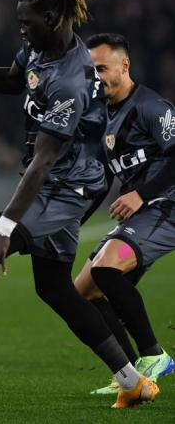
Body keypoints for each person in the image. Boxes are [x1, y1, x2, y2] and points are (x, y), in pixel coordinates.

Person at [0, 0, 159, 411]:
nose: (20, 29)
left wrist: (5, 228)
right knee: (54, 287)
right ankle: (132, 380)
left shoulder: (71, 81)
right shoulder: (41, 50)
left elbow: (43, 162)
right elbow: (15, 79)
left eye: (27, 22)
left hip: (69, 186)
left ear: (52, 21)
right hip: (61, 180)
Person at [70, 33, 174, 395]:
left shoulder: (152, 107)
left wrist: (141, 193)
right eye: (90, 70)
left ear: (124, 65)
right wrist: (72, 223)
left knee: (104, 270)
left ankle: (153, 354)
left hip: (167, 207)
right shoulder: (105, 116)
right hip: (142, 212)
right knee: (83, 290)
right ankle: (130, 376)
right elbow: (101, 183)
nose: (95, 77)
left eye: (101, 68)